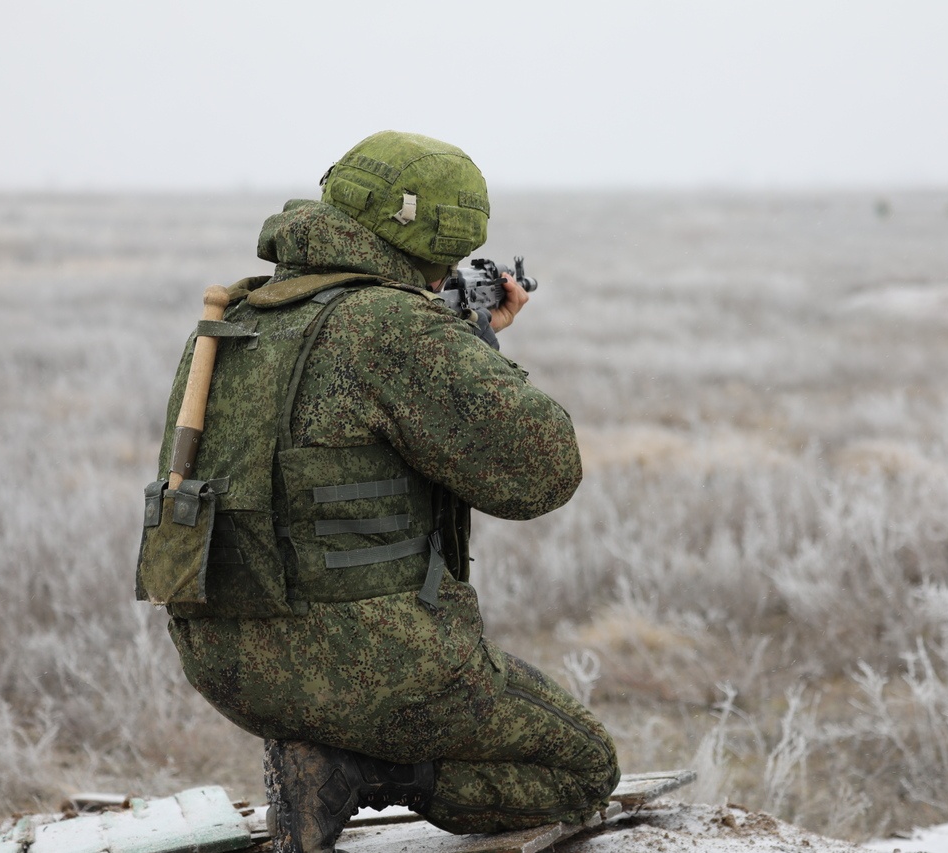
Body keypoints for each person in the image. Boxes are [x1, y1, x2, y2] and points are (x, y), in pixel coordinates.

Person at [137, 131, 619, 853]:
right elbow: (543, 470)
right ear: (443, 239)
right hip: (376, 669)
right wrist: (476, 347)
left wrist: (456, 337)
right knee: (584, 767)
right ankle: (357, 770)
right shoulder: (392, 326)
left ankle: (324, 752)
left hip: (230, 667)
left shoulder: (236, 316)